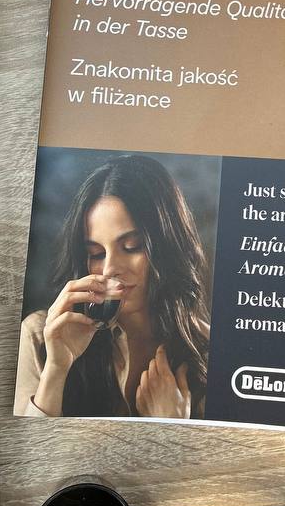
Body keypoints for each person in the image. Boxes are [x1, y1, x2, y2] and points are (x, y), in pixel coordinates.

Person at [14, 154, 211, 418]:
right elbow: (28, 444)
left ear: (167, 247)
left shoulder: (207, 351)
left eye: (131, 247)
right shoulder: (41, 335)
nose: (109, 269)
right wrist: (56, 369)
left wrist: (172, 425)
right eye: (96, 253)